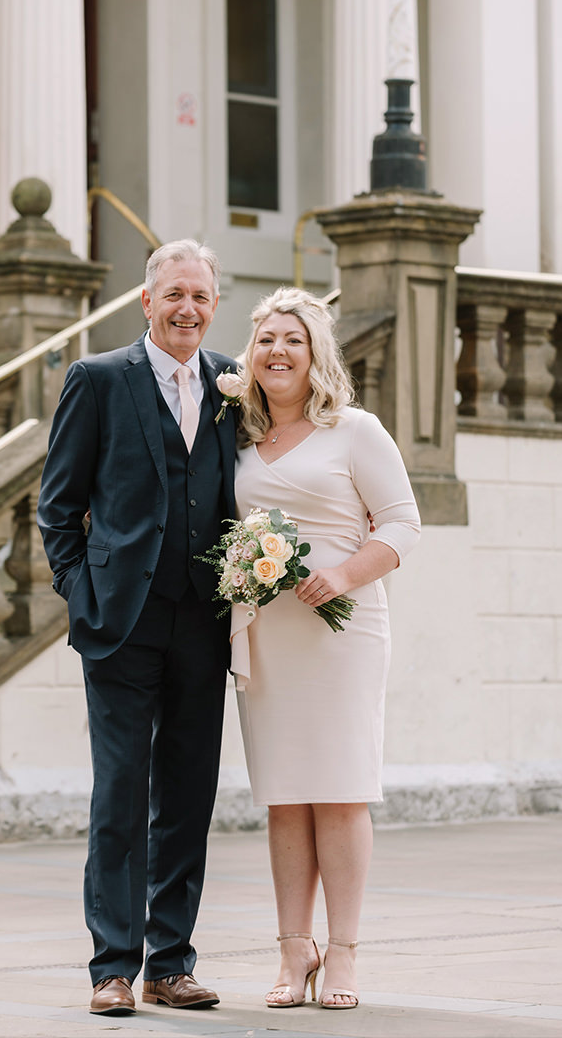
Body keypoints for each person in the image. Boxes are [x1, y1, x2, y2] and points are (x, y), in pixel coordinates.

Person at [38, 239, 238, 1016]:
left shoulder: (231, 383)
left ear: (213, 305)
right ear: (146, 300)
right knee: (120, 792)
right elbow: (57, 506)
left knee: (188, 792)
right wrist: (79, 590)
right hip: (119, 619)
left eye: (201, 296)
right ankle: (113, 967)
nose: (188, 308)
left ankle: (172, 961)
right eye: (175, 293)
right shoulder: (97, 379)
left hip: (205, 619)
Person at [228, 288, 419, 1010]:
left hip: (344, 631)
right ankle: (291, 951)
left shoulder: (355, 430)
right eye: (266, 339)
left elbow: (403, 525)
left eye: (294, 340)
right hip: (267, 634)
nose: (277, 351)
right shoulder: (239, 440)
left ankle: (342, 954)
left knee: (339, 792)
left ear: (316, 355)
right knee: (283, 799)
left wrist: (340, 573)